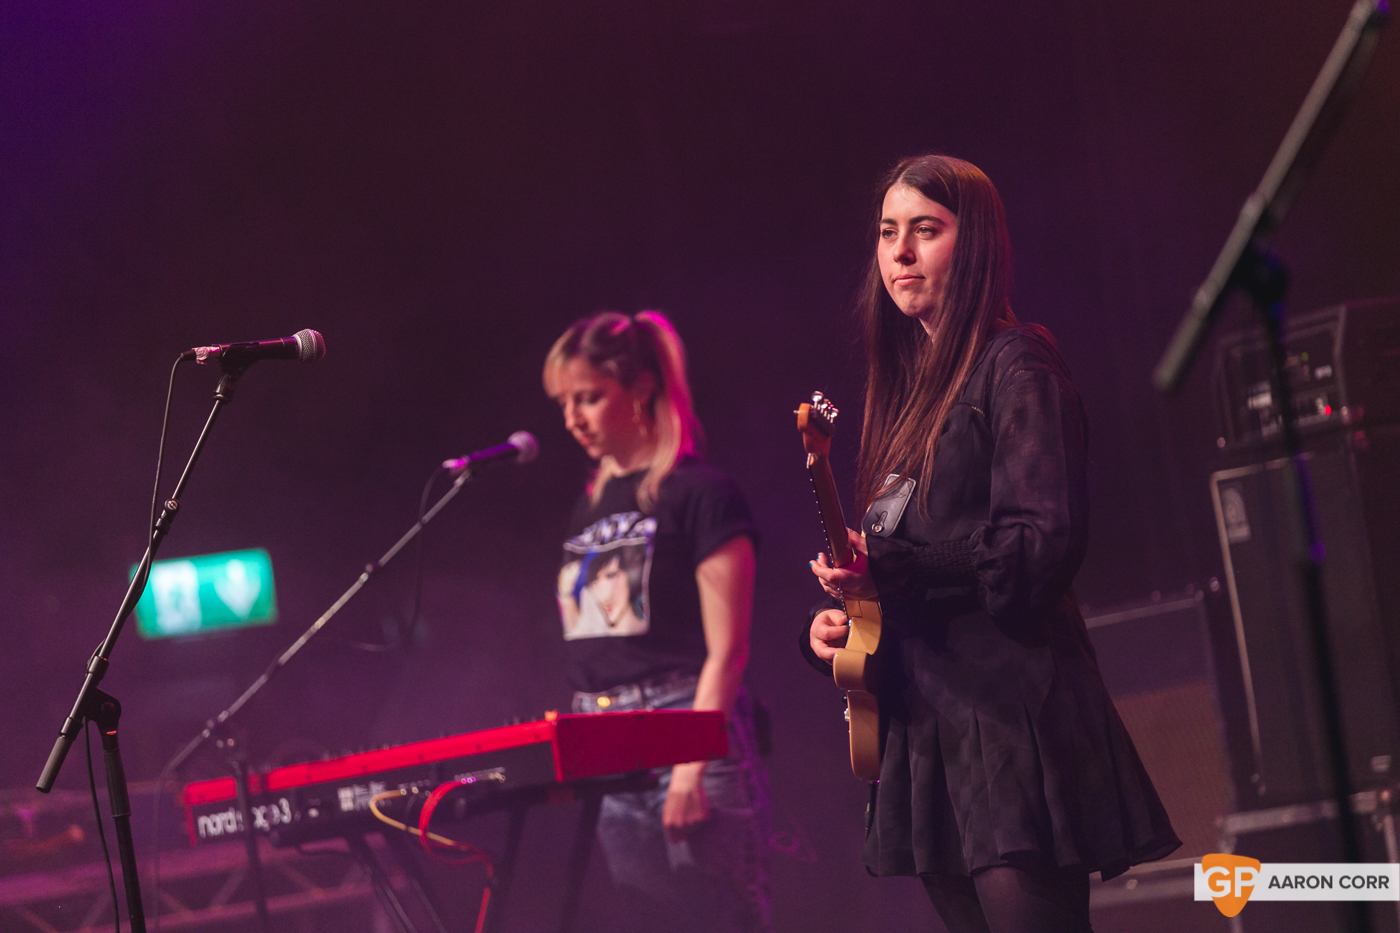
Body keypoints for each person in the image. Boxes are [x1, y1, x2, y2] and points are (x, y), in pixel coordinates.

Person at [803, 154, 1180, 933]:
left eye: (925, 231)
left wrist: (899, 566)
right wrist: (843, 624)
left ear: (971, 244)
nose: (900, 252)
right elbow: (905, 571)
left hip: (1011, 715)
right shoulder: (902, 391)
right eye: (887, 233)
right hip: (928, 721)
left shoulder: (1018, 364)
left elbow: (1038, 546)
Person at [545, 310, 773, 933]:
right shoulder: (587, 505)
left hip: (682, 726)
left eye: (589, 397)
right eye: (566, 402)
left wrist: (690, 766)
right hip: (605, 742)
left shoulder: (702, 494)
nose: (573, 418)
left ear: (642, 387)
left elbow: (728, 650)